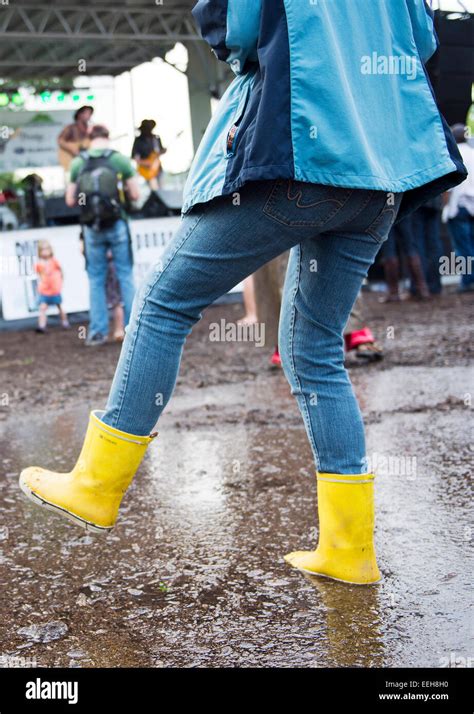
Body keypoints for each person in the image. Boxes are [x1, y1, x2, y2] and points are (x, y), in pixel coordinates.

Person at [20, 1, 466, 585]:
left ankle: (96, 484)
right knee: (316, 347)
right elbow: (423, 42)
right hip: (381, 170)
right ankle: (349, 548)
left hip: (307, 149)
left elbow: (232, 27)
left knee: (163, 301)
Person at [65, 124, 140, 346]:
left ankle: (97, 332)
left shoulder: (79, 162)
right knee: (125, 276)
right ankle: (132, 330)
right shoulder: (119, 160)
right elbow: (135, 194)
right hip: (117, 223)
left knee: (96, 279)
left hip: (91, 227)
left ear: (89, 137)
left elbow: (70, 200)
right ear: (107, 137)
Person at [444, 124, 474, 292]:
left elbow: (449, 187)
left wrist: (446, 207)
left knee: (463, 247)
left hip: (459, 206)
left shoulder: (454, 155)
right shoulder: (473, 152)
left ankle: (468, 281)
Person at [34, 240, 69, 333]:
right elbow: (40, 275)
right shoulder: (39, 264)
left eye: (47, 249)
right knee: (42, 308)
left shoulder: (54, 262)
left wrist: (59, 283)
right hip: (45, 291)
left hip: (54, 290)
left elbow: (61, 272)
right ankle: (42, 326)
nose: (45, 252)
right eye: (43, 250)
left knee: (59, 306)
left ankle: (64, 321)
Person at [132, 119, 167, 191]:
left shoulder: (156, 138)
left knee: (162, 191)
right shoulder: (138, 140)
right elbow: (135, 157)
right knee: (154, 191)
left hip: (158, 168)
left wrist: (163, 151)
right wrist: (145, 162)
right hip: (147, 170)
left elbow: (159, 151)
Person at [57, 105, 94, 172]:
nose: (89, 115)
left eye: (90, 113)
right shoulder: (70, 128)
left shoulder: (90, 129)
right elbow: (60, 140)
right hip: (70, 159)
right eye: (87, 113)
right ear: (80, 114)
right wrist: (72, 149)